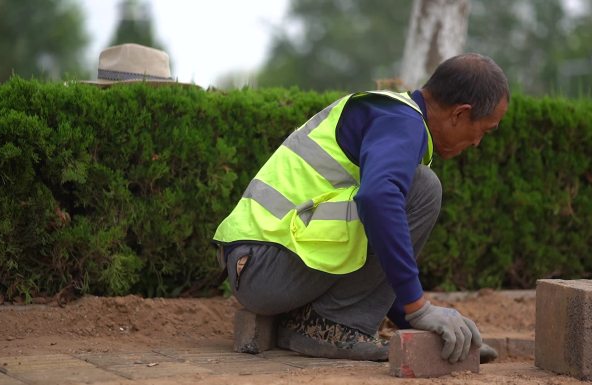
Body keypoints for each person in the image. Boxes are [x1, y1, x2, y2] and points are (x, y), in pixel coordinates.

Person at [213, 53, 509, 363]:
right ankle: (331, 325)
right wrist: (418, 307)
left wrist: (418, 321)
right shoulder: (402, 122)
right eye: (485, 131)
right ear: (460, 114)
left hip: (256, 265)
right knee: (422, 189)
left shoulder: (392, 115)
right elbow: (378, 199)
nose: (477, 142)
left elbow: (374, 262)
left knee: (406, 191)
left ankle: (326, 322)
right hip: (264, 267)